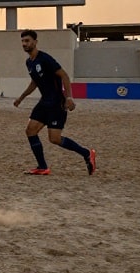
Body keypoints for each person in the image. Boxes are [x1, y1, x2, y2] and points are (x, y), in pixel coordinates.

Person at [13, 30, 96, 176]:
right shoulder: (29, 62)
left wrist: (69, 98)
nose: (24, 44)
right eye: (23, 41)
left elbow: (64, 75)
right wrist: (21, 97)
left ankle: (87, 153)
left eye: (27, 41)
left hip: (57, 102)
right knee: (30, 130)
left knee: (54, 139)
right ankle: (42, 167)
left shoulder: (45, 58)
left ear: (35, 42)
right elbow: (35, 82)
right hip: (44, 102)